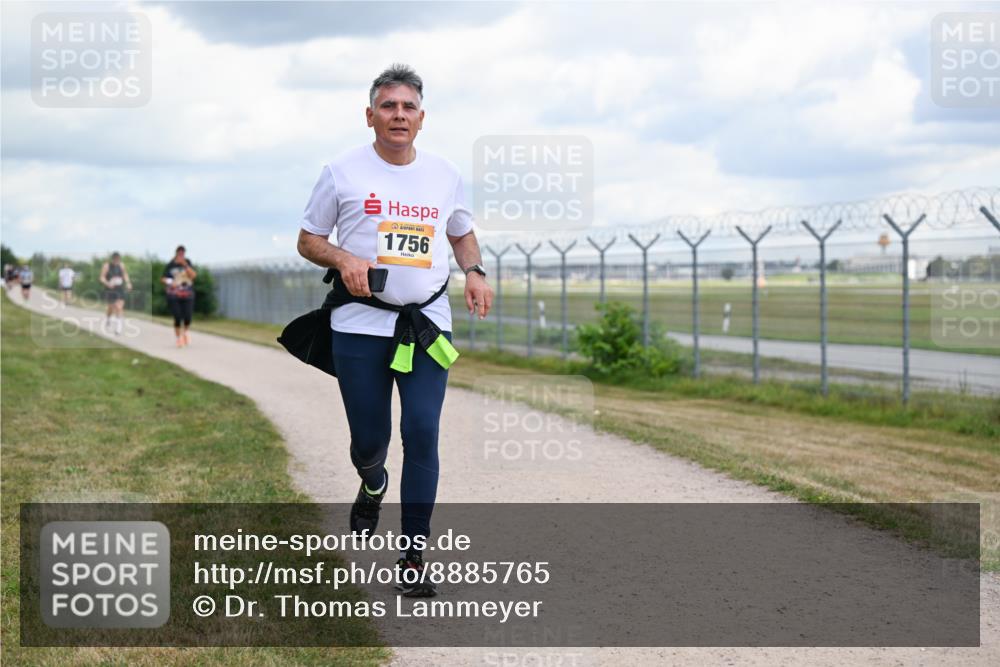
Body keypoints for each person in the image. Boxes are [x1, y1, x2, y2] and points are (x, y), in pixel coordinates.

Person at [296, 64, 493, 597]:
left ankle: (413, 556)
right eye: (388, 106)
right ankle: (372, 480)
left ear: (422, 118)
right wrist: (344, 259)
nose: (399, 115)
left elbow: (461, 233)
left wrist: (475, 271)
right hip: (360, 324)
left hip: (426, 324)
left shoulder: (444, 175)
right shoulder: (341, 172)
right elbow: (308, 239)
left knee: (423, 430)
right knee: (370, 440)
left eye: (408, 107)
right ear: (370, 116)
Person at [161, 245, 197, 347]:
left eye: (183, 253)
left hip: (188, 294)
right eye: (179, 253)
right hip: (174, 294)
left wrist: (185, 265)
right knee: (177, 316)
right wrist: (170, 282)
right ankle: (178, 338)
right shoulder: (170, 265)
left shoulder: (188, 263)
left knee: (188, 317)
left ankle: (185, 332)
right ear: (176, 253)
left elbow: (193, 276)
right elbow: (163, 278)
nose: (181, 255)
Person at [100, 252, 132, 335]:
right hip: (110, 289)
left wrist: (128, 283)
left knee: (119, 307)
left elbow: (125, 274)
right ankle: (108, 319)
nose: (117, 261)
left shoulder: (121, 265)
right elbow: (102, 277)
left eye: (118, 259)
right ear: (113, 259)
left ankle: (118, 328)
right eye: (115, 259)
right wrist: (107, 283)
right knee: (111, 307)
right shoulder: (107, 266)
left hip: (119, 289)